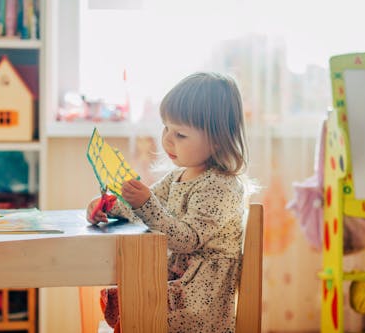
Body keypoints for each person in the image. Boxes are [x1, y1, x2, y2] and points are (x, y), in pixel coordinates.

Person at [87, 72, 249, 333]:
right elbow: (142, 209)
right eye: (166, 128)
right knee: (125, 290)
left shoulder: (221, 186)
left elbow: (186, 239)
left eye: (181, 134)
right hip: (177, 286)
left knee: (133, 300)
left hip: (197, 303)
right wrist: (108, 206)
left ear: (218, 139)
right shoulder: (178, 176)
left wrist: (146, 203)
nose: (167, 140)